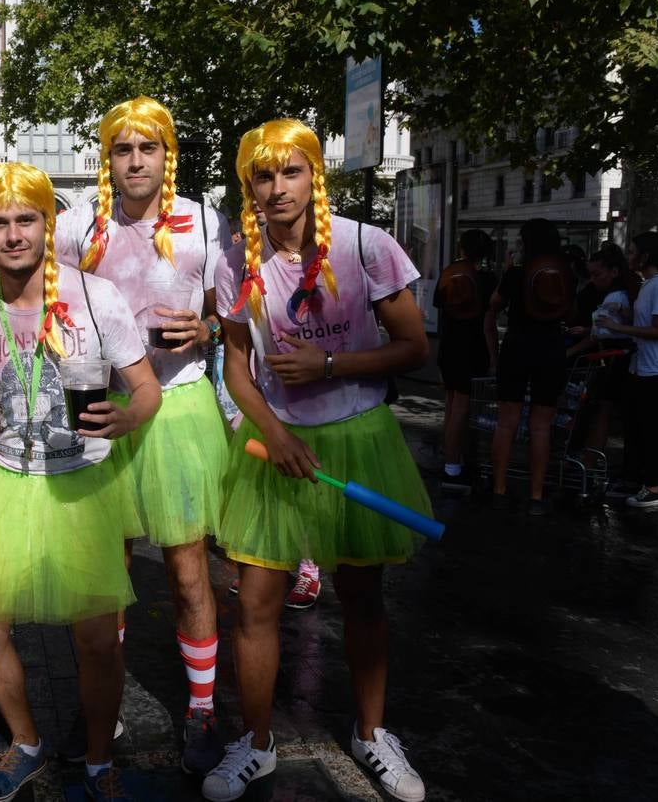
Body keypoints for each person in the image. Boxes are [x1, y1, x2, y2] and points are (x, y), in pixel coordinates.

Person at [205, 120, 430, 802]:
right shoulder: (237, 262)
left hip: (360, 440)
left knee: (363, 596)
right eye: (263, 177)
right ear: (249, 187)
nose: (278, 189)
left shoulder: (367, 245)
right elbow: (238, 369)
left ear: (313, 176)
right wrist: (271, 432)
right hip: (279, 444)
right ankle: (257, 743)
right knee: (257, 606)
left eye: (290, 172)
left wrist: (330, 362)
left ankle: (371, 734)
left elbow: (415, 346)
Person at [0, 161, 161, 801]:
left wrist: (127, 416)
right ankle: (25, 741)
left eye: (25, 220)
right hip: (4, 480)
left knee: (95, 640)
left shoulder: (96, 298)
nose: (12, 235)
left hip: (82, 486)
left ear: (46, 224)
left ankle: (95, 759)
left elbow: (146, 390)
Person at [54, 96, 231, 774]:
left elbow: (234, 313)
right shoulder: (78, 229)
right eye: (122, 149)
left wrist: (208, 329)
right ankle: (104, 704)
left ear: (167, 154)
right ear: (108, 158)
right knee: (106, 573)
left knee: (189, 571)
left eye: (147, 148)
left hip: (179, 411)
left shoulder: (205, 225)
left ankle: (204, 710)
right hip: (100, 405)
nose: (135, 161)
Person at [484, 218, 573, 514]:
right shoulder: (566, 272)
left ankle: (498, 488)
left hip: (518, 345)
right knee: (541, 426)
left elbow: (494, 306)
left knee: (507, 421)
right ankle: (536, 494)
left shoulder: (517, 274)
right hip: (551, 347)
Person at [597, 232, 658, 509]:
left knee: (649, 427)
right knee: (633, 425)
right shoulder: (648, 285)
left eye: (633, 252)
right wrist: (623, 314)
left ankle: (652, 486)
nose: (628, 256)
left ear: (646, 256)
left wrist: (619, 327)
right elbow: (646, 322)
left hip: (656, 368)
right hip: (641, 365)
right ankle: (632, 479)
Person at [433, 228, 497, 492]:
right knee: (461, 406)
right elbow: (489, 322)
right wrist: (494, 358)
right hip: (472, 348)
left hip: (449, 346)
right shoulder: (487, 279)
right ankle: (452, 466)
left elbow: (440, 305)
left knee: (451, 404)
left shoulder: (449, 273)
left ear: (461, 248)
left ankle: (451, 458)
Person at [564, 245, 633, 456]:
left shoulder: (614, 298)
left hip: (612, 360)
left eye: (596, 274)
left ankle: (591, 462)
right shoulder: (621, 295)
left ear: (613, 272)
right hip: (615, 358)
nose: (593, 280)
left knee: (601, 411)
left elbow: (599, 334)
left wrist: (568, 353)